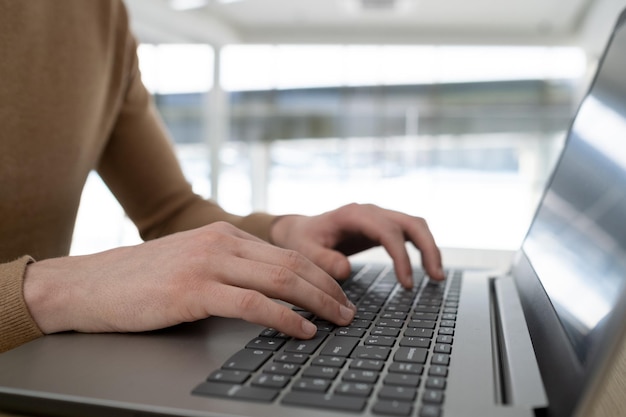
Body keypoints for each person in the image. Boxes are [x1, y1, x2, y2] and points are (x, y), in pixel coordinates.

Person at [0, 0, 443, 354]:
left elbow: (170, 208)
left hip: (37, 370)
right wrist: (56, 289)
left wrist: (285, 232)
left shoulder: (100, 14)